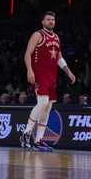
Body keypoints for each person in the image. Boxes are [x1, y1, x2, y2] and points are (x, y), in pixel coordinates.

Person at [20, 11, 76, 151]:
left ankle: (39, 140)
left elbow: (59, 57)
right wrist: (29, 70)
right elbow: (27, 53)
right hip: (40, 74)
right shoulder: (38, 35)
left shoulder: (56, 37)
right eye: (48, 19)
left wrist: (68, 72)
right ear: (43, 22)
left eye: (53, 20)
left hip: (52, 75)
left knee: (48, 108)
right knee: (43, 102)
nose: (51, 21)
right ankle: (26, 133)